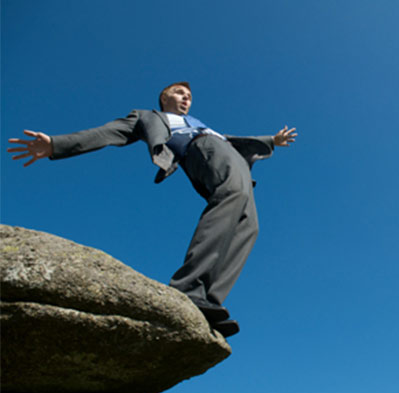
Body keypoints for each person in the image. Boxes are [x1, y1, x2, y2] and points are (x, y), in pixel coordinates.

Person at [8, 82, 297, 338]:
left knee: (249, 225)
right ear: (164, 98)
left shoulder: (202, 123)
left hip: (230, 155)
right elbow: (108, 132)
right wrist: (56, 145)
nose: (186, 98)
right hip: (201, 149)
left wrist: (272, 140)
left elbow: (233, 140)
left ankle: (209, 299)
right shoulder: (148, 117)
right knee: (231, 195)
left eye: (189, 96)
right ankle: (189, 287)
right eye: (180, 93)